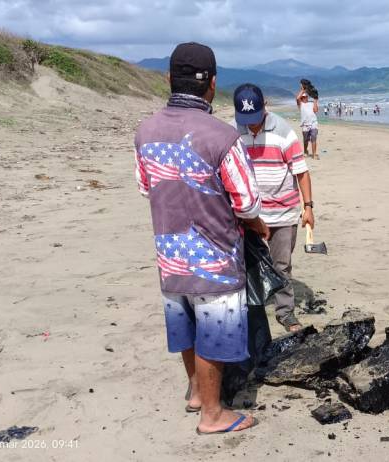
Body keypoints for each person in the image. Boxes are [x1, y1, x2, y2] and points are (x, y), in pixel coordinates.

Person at [133, 42, 265, 434]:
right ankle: (212, 413)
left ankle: (194, 391)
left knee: (184, 323)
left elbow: (146, 187)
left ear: (169, 79)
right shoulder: (222, 136)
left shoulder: (145, 131)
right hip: (213, 255)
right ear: (212, 84)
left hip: (168, 250)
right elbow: (247, 202)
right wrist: (256, 226)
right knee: (215, 330)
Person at [233, 83, 316, 332]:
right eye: (246, 119)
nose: (252, 124)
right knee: (247, 265)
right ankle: (250, 309)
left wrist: (309, 207)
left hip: (283, 212)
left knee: (281, 265)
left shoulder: (283, 131)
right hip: (248, 214)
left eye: (256, 118)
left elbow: (301, 172)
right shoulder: (232, 131)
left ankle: (285, 312)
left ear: (265, 107)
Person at [296, 80, 320, 159]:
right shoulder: (301, 104)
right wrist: (303, 89)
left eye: (306, 96)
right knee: (305, 140)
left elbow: (316, 110)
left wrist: (315, 100)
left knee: (313, 137)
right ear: (302, 98)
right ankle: (306, 151)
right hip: (305, 124)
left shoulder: (311, 103)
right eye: (303, 97)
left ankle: (314, 154)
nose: (305, 98)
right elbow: (297, 98)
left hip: (314, 123)